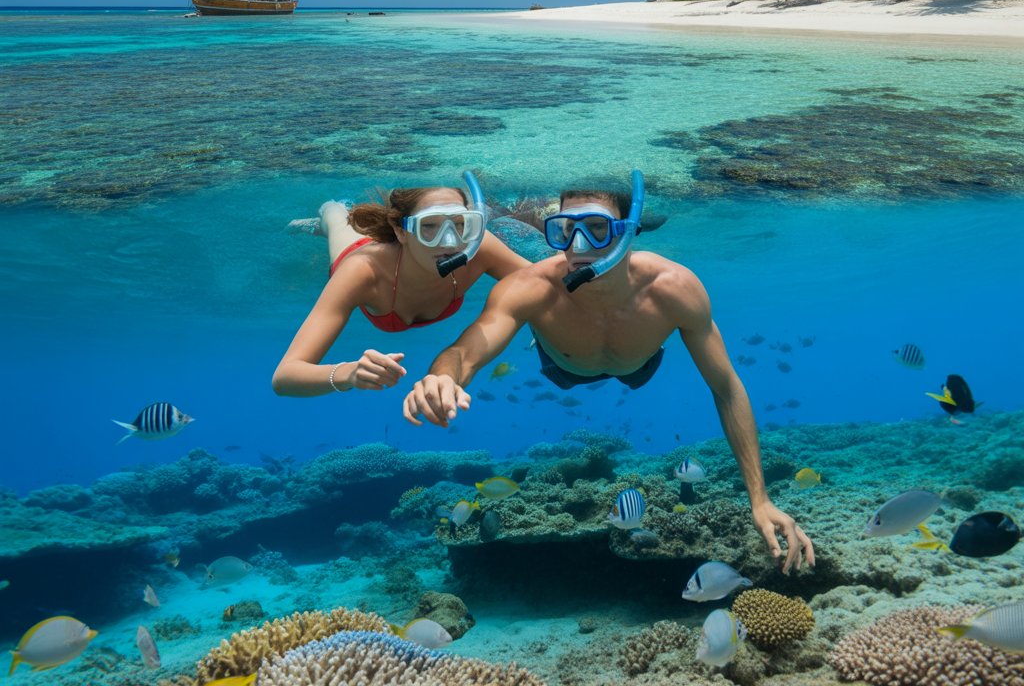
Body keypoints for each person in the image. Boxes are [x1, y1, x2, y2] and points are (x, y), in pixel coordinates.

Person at [402, 172, 815, 573]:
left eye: (597, 229)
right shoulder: (532, 287)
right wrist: (443, 377)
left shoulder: (674, 287)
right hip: (562, 368)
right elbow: (464, 352)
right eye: (565, 230)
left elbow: (727, 388)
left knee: (637, 369)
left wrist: (759, 499)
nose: (578, 246)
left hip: (638, 366)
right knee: (550, 350)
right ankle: (539, 334)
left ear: (628, 231)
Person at [273, 174, 529, 397]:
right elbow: (285, 377)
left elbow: (543, 283)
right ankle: (328, 213)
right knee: (339, 219)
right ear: (400, 230)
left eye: (461, 223)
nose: (450, 242)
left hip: (401, 250)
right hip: (358, 250)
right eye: (429, 225)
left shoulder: (478, 247)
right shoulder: (361, 271)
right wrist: (349, 373)